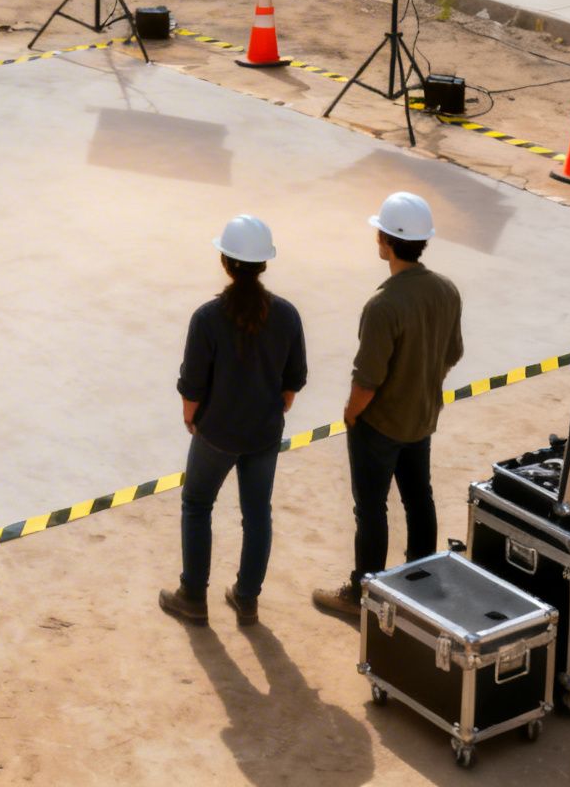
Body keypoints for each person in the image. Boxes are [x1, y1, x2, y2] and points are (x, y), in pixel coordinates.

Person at [313, 192, 463, 619]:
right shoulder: (446, 291)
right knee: (420, 499)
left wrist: (351, 413)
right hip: (422, 417)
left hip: (379, 427)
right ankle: (421, 582)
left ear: (385, 240)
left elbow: (368, 380)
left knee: (372, 508)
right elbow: (452, 353)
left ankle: (363, 593)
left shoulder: (383, 306)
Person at [161, 214, 307, 626]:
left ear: (225, 261)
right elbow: (293, 384)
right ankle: (246, 598)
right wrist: (273, 410)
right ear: (264, 264)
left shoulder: (207, 318)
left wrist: (194, 421)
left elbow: (192, 387)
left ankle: (193, 596)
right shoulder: (287, 315)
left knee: (196, 504)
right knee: (257, 512)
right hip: (263, 432)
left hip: (217, 432)